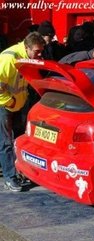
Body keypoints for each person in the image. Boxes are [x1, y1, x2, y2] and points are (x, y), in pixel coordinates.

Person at [0, 32, 45, 192]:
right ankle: (10, 177)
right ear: (26, 48)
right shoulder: (8, 59)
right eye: (37, 51)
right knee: (5, 142)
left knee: (19, 139)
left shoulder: (27, 57)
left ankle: (20, 170)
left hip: (17, 104)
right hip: (3, 105)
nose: (39, 55)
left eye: (41, 51)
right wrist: (9, 102)